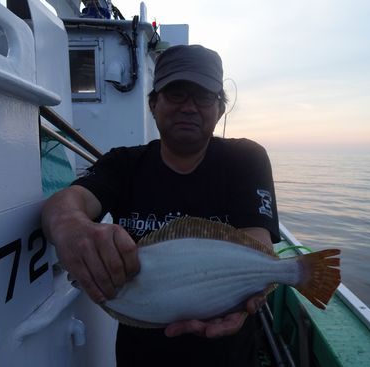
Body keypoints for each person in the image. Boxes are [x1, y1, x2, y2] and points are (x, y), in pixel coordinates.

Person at [42, 44, 280, 367]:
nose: (189, 107)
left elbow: (258, 243)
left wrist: (252, 291)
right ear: (154, 104)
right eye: (175, 93)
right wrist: (72, 226)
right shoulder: (124, 164)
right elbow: (65, 204)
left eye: (203, 96)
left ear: (220, 109)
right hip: (141, 357)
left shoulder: (246, 159)